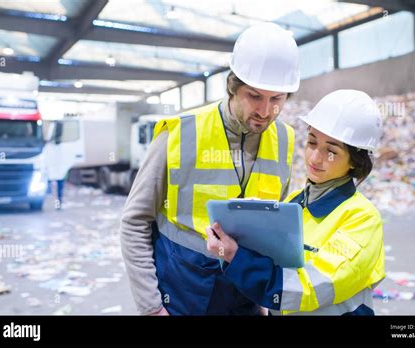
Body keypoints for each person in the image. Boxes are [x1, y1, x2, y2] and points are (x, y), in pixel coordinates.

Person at [120, 22, 301, 315]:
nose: (265, 111)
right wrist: (151, 307)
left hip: (246, 298)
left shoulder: (284, 140)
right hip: (181, 295)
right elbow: (134, 221)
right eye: (255, 96)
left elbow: (275, 231)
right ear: (232, 87)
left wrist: (268, 302)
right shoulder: (179, 133)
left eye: (276, 99)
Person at [206, 89, 385, 315]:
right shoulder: (294, 204)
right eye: (312, 142)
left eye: (331, 151)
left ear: (355, 161)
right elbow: (276, 265)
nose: (314, 158)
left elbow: (310, 288)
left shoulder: (362, 218)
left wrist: (237, 257)